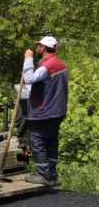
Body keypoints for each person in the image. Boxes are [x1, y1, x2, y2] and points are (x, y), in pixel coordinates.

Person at [22, 36, 68, 186]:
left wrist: (28, 59)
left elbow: (29, 78)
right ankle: (52, 174)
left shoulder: (47, 65)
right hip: (57, 111)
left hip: (44, 112)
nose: (37, 48)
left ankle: (44, 176)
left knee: (38, 141)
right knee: (52, 142)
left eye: (39, 45)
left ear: (43, 48)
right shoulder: (61, 64)